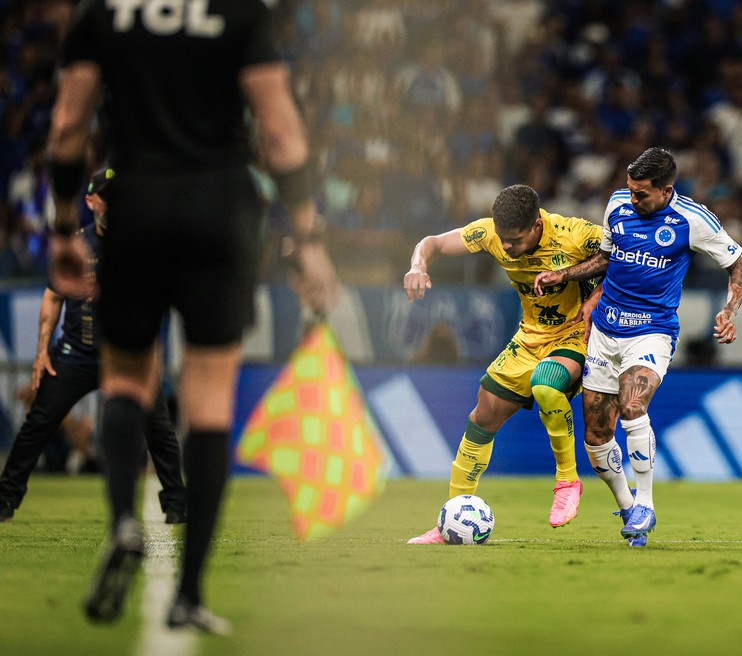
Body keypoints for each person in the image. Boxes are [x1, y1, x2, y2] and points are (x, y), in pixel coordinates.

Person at [45, 1, 335, 634]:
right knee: (208, 400)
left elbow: (67, 124)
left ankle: (125, 520)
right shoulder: (241, 11)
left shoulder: (102, 12)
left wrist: (65, 226)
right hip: (220, 211)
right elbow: (280, 132)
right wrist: (307, 237)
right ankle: (190, 593)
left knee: (126, 379)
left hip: (137, 205)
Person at [534, 147, 742, 547]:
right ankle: (629, 506)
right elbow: (606, 258)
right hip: (605, 331)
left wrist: (730, 309)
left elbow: (738, 266)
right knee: (597, 436)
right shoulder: (617, 204)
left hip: (652, 331)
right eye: (631, 190)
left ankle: (646, 504)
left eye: (642, 194)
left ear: (666, 190)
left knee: (633, 406)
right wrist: (563, 276)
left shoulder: (693, 220)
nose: (633, 199)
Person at [403, 184, 602, 544]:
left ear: (537, 225)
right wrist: (418, 265)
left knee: (545, 384)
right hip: (528, 338)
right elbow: (432, 243)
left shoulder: (575, 234)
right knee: (482, 415)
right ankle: (449, 521)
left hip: (574, 334)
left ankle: (568, 481)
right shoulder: (490, 233)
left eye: (515, 239)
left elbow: (626, 256)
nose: (506, 246)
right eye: (502, 238)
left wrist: (597, 297)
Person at [0, 168, 187, 525]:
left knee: (159, 428)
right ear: (90, 201)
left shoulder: (141, 244)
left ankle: (177, 505)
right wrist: (42, 352)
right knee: (38, 421)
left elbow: (158, 298)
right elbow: (53, 297)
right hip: (78, 352)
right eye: (107, 197)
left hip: (127, 353)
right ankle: (5, 498)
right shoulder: (77, 245)